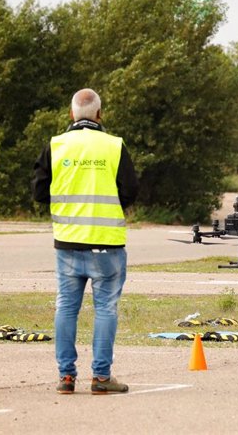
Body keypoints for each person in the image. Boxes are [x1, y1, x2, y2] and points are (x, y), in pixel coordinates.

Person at [32, 88, 139, 395]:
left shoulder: (56, 146)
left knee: (66, 308)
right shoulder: (114, 146)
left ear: (71, 115)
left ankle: (66, 377)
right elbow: (131, 190)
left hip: (67, 243)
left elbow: (39, 193)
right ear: (99, 115)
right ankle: (102, 378)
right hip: (107, 244)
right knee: (105, 309)